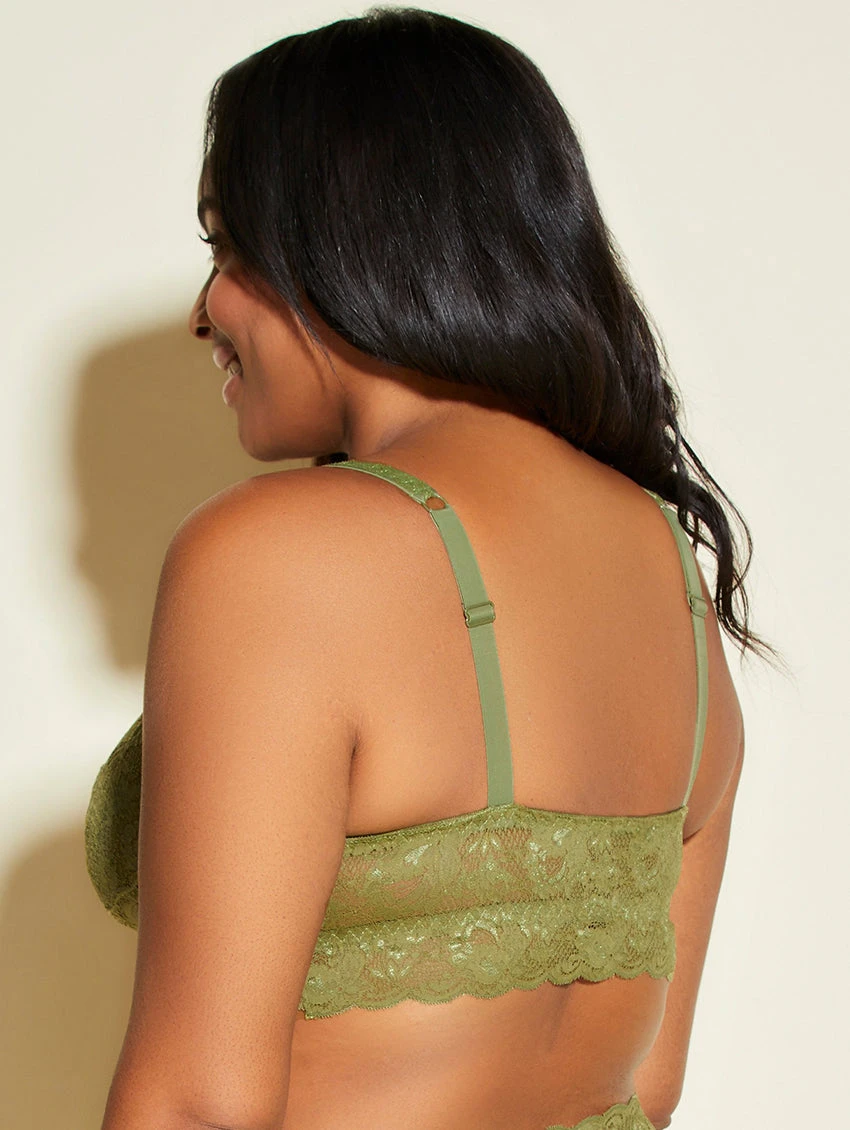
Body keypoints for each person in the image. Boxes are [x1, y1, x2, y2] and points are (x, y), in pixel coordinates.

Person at [85, 7, 782, 1129]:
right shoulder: (670, 573)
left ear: (348, 242)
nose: (204, 312)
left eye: (226, 249)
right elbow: (645, 1090)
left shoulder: (276, 555)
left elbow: (197, 1104)